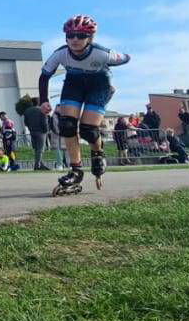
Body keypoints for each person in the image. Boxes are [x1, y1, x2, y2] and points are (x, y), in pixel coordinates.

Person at [39, 15, 130, 190]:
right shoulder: (60, 53)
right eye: (70, 35)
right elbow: (44, 76)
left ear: (90, 38)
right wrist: (43, 100)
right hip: (74, 84)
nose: (74, 40)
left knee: (88, 130)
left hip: (99, 85)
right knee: (67, 126)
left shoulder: (102, 53)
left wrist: (114, 73)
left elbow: (126, 58)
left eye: (81, 36)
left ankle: (97, 153)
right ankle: (76, 171)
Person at [23, 98, 50, 170]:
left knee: (36, 149)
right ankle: (37, 165)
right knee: (40, 149)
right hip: (41, 132)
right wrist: (46, 130)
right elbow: (45, 122)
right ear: (38, 103)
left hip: (32, 132)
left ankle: (41, 164)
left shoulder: (27, 111)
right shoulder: (42, 110)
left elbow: (26, 123)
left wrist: (30, 128)